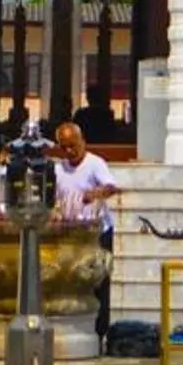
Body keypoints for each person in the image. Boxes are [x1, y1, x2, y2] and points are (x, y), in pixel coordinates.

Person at [51, 122, 121, 339]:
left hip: (97, 231)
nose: (70, 151)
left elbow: (112, 187)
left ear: (82, 142)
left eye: (73, 146)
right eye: (64, 147)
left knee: (98, 281)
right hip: (71, 232)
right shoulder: (58, 169)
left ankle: (100, 332)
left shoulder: (95, 164)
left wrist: (96, 193)